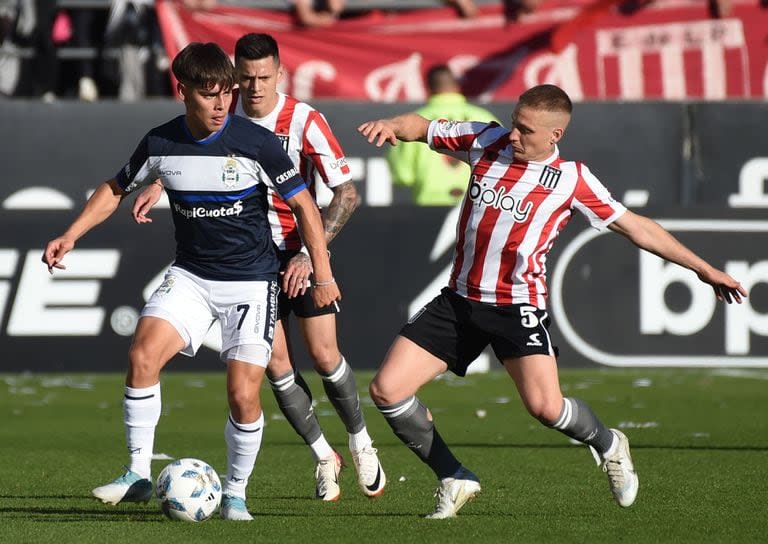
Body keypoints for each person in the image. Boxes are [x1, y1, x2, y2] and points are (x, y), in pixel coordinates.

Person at [358, 83, 747, 518]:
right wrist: (392, 124)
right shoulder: (485, 140)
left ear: (554, 135)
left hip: (516, 307)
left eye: (526, 130)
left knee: (546, 408)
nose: (514, 135)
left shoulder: (571, 179)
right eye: (514, 123)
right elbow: (422, 127)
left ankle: (609, 443)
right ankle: (455, 476)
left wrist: (703, 268)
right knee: (387, 390)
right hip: (459, 301)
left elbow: (638, 227)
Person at [42, 41, 339, 521]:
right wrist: (71, 234)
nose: (222, 105)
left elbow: (306, 205)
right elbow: (116, 188)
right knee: (142, 354)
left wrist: (321, 273)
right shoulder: (161, 142)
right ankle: (138, 473)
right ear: (183, 93)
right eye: (209, 94)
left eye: (227, 93)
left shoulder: (255, 142)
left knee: (243, 394)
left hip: (250, 281)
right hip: (191, 276)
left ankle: (236, 493)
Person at [132, 32, 386, 502]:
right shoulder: (221, 113)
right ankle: (322, 456)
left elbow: (346, 193)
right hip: (248, 262)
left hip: (300, 253)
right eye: (244, 79)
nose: (253, 88)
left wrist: (312, 256)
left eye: (263, 78)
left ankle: (361, 441)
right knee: (274, 365)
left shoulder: (305, 120)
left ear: (280, 74)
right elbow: (203, 159)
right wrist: (162, 185)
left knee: (326, 356)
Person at [387, 64, 498, 206]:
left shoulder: (413, 123)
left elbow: (403, 175)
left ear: (429, 88)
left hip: (429, 207)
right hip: (476, 205)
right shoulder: (485, 118)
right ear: (457, 85)